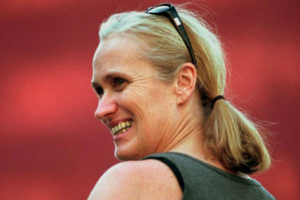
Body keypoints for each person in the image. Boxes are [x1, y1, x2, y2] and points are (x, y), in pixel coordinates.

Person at [88, 3, 275, 200]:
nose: (101, 110)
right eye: (100, 91)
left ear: (183, 82)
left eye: (119, 82)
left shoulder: (130, 184)